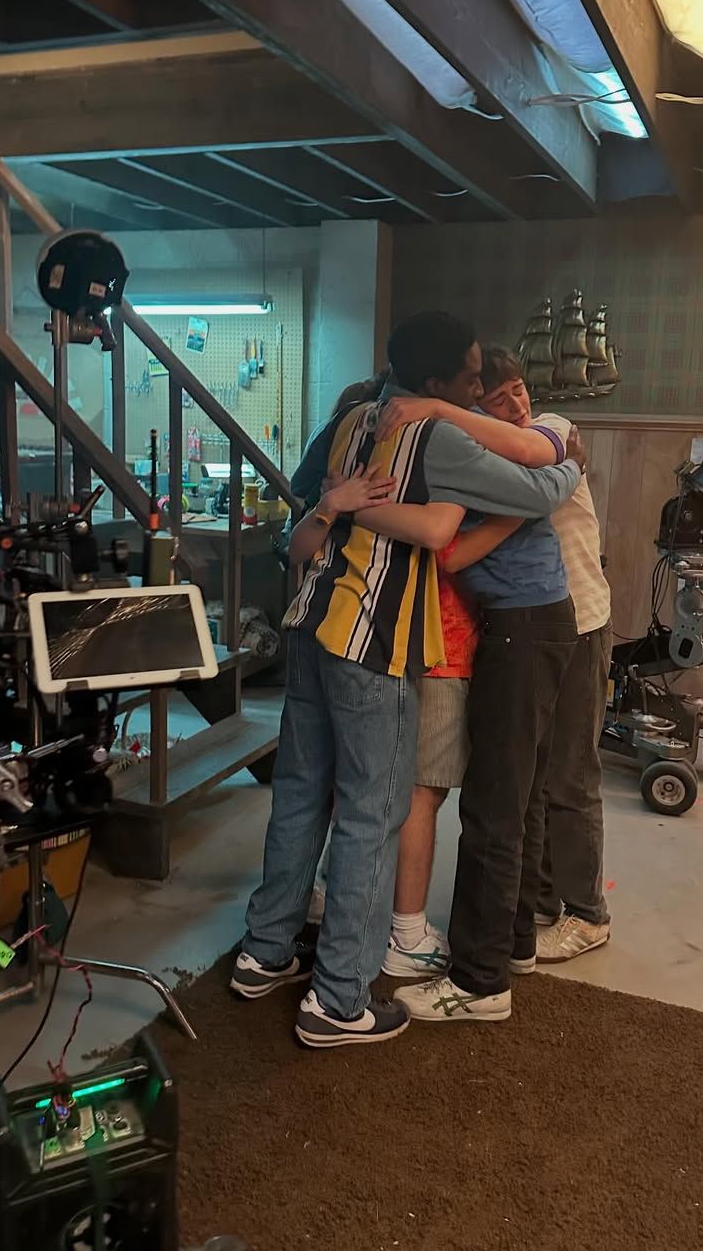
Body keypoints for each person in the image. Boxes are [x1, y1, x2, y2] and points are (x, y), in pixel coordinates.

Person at [231, 313, 584, 1048]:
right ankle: (339, 1000)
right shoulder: (437, 436)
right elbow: (528, 494)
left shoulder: (352, 418)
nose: (480, 391)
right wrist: (570, 463)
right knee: (374, 812)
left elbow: (308, 510)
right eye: (471, 379)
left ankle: (265, 952)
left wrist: (342, 510)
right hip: (372, 637)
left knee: (301, 793)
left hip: (310, 623)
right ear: (434, 383)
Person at [386, 346, 609, 1024]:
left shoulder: (535, 440)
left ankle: (480, 983)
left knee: (494, 808)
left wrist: (430, 414)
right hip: (533, 625)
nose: (513, 404)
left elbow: (450, 547)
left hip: (530, 628)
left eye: (516, 391)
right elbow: (465, 541)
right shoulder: (496, 459)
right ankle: (513, 945)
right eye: (493, 396)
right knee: (520, 796)